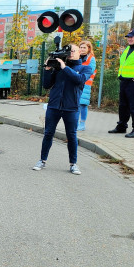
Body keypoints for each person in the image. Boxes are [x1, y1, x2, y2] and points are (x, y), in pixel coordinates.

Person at [32, 43, 94, 175]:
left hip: (71, 108)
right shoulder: (58, 68)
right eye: (69, 50)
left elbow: (79, 80)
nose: (71, 53)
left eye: (73, 50)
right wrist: (48, 69)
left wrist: (64, 67)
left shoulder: (85, 68)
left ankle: (73, 164)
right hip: (54, 106)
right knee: (48, 133)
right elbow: (47, 85)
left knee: (71, 136)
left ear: (79, 53)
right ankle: (42, 160)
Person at [77, 40, 96, 131]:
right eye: (80, 47)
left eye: (84, 47)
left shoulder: (91, 59)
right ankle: (75, 123)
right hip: (76, 83)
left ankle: (82, 124)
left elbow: (90, 70)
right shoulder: (76, 57)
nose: (82, 49)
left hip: (85, 84)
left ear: (89, 49)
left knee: (83, 104)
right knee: (75, 104)